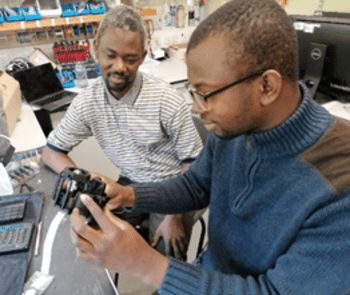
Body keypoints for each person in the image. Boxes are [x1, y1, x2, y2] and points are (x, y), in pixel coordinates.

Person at [70, 0, 350, 294]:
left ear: (267, 87)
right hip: (207, 275)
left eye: (205, 94)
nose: (196, 108)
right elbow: (196, 185)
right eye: (193, 92)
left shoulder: (338, 189)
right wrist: (127, 194)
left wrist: (145, 264)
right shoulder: (236, 127)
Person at [42, 5, 203, 260]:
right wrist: (82, 180)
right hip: (130, 181)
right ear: (96, 49)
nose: (120, 67)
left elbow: (194, 165)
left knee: (167, 256)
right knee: (86, 227)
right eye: (111, 55)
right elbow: (51, 152)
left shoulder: (166, 101)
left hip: (173, 188)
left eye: (130, 59)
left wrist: (174, 215)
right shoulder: (88, 103)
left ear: (142, 55)